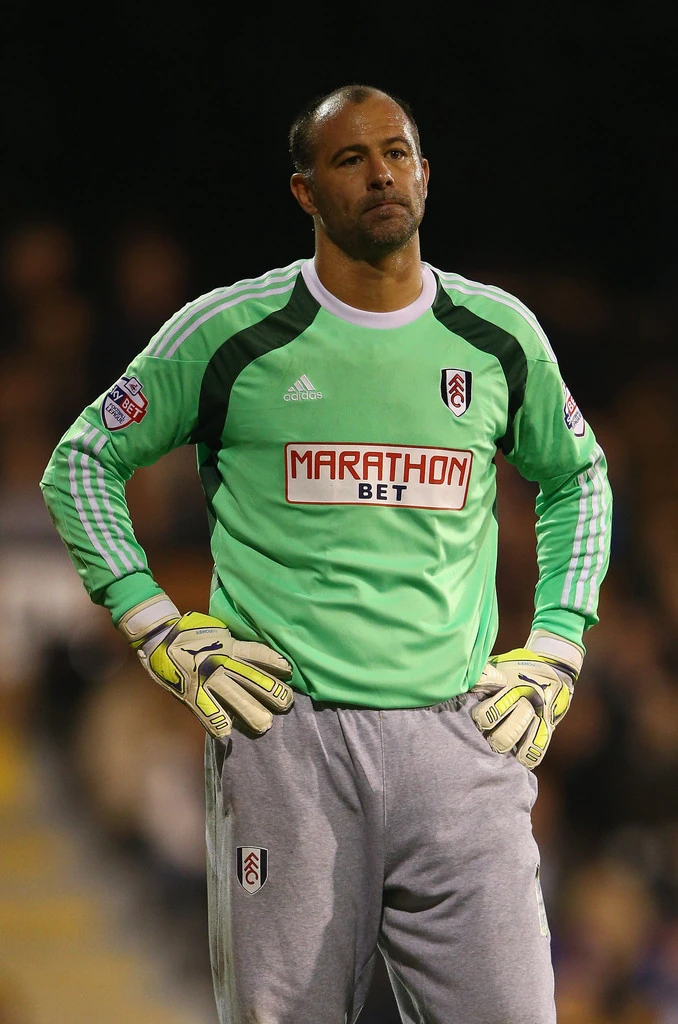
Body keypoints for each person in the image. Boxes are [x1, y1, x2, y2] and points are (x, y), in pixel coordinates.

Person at [40, 83, 612, 1024]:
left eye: (398, 153)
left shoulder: (499, 335)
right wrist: (157, 629)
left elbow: (578, 477)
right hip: (288, 743)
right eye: (351, 158)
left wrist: (556, 642)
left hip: (461, 744)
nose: (381, 173)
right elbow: (82, 461)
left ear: (425, 175)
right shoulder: (230, 332)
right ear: (304, 192)